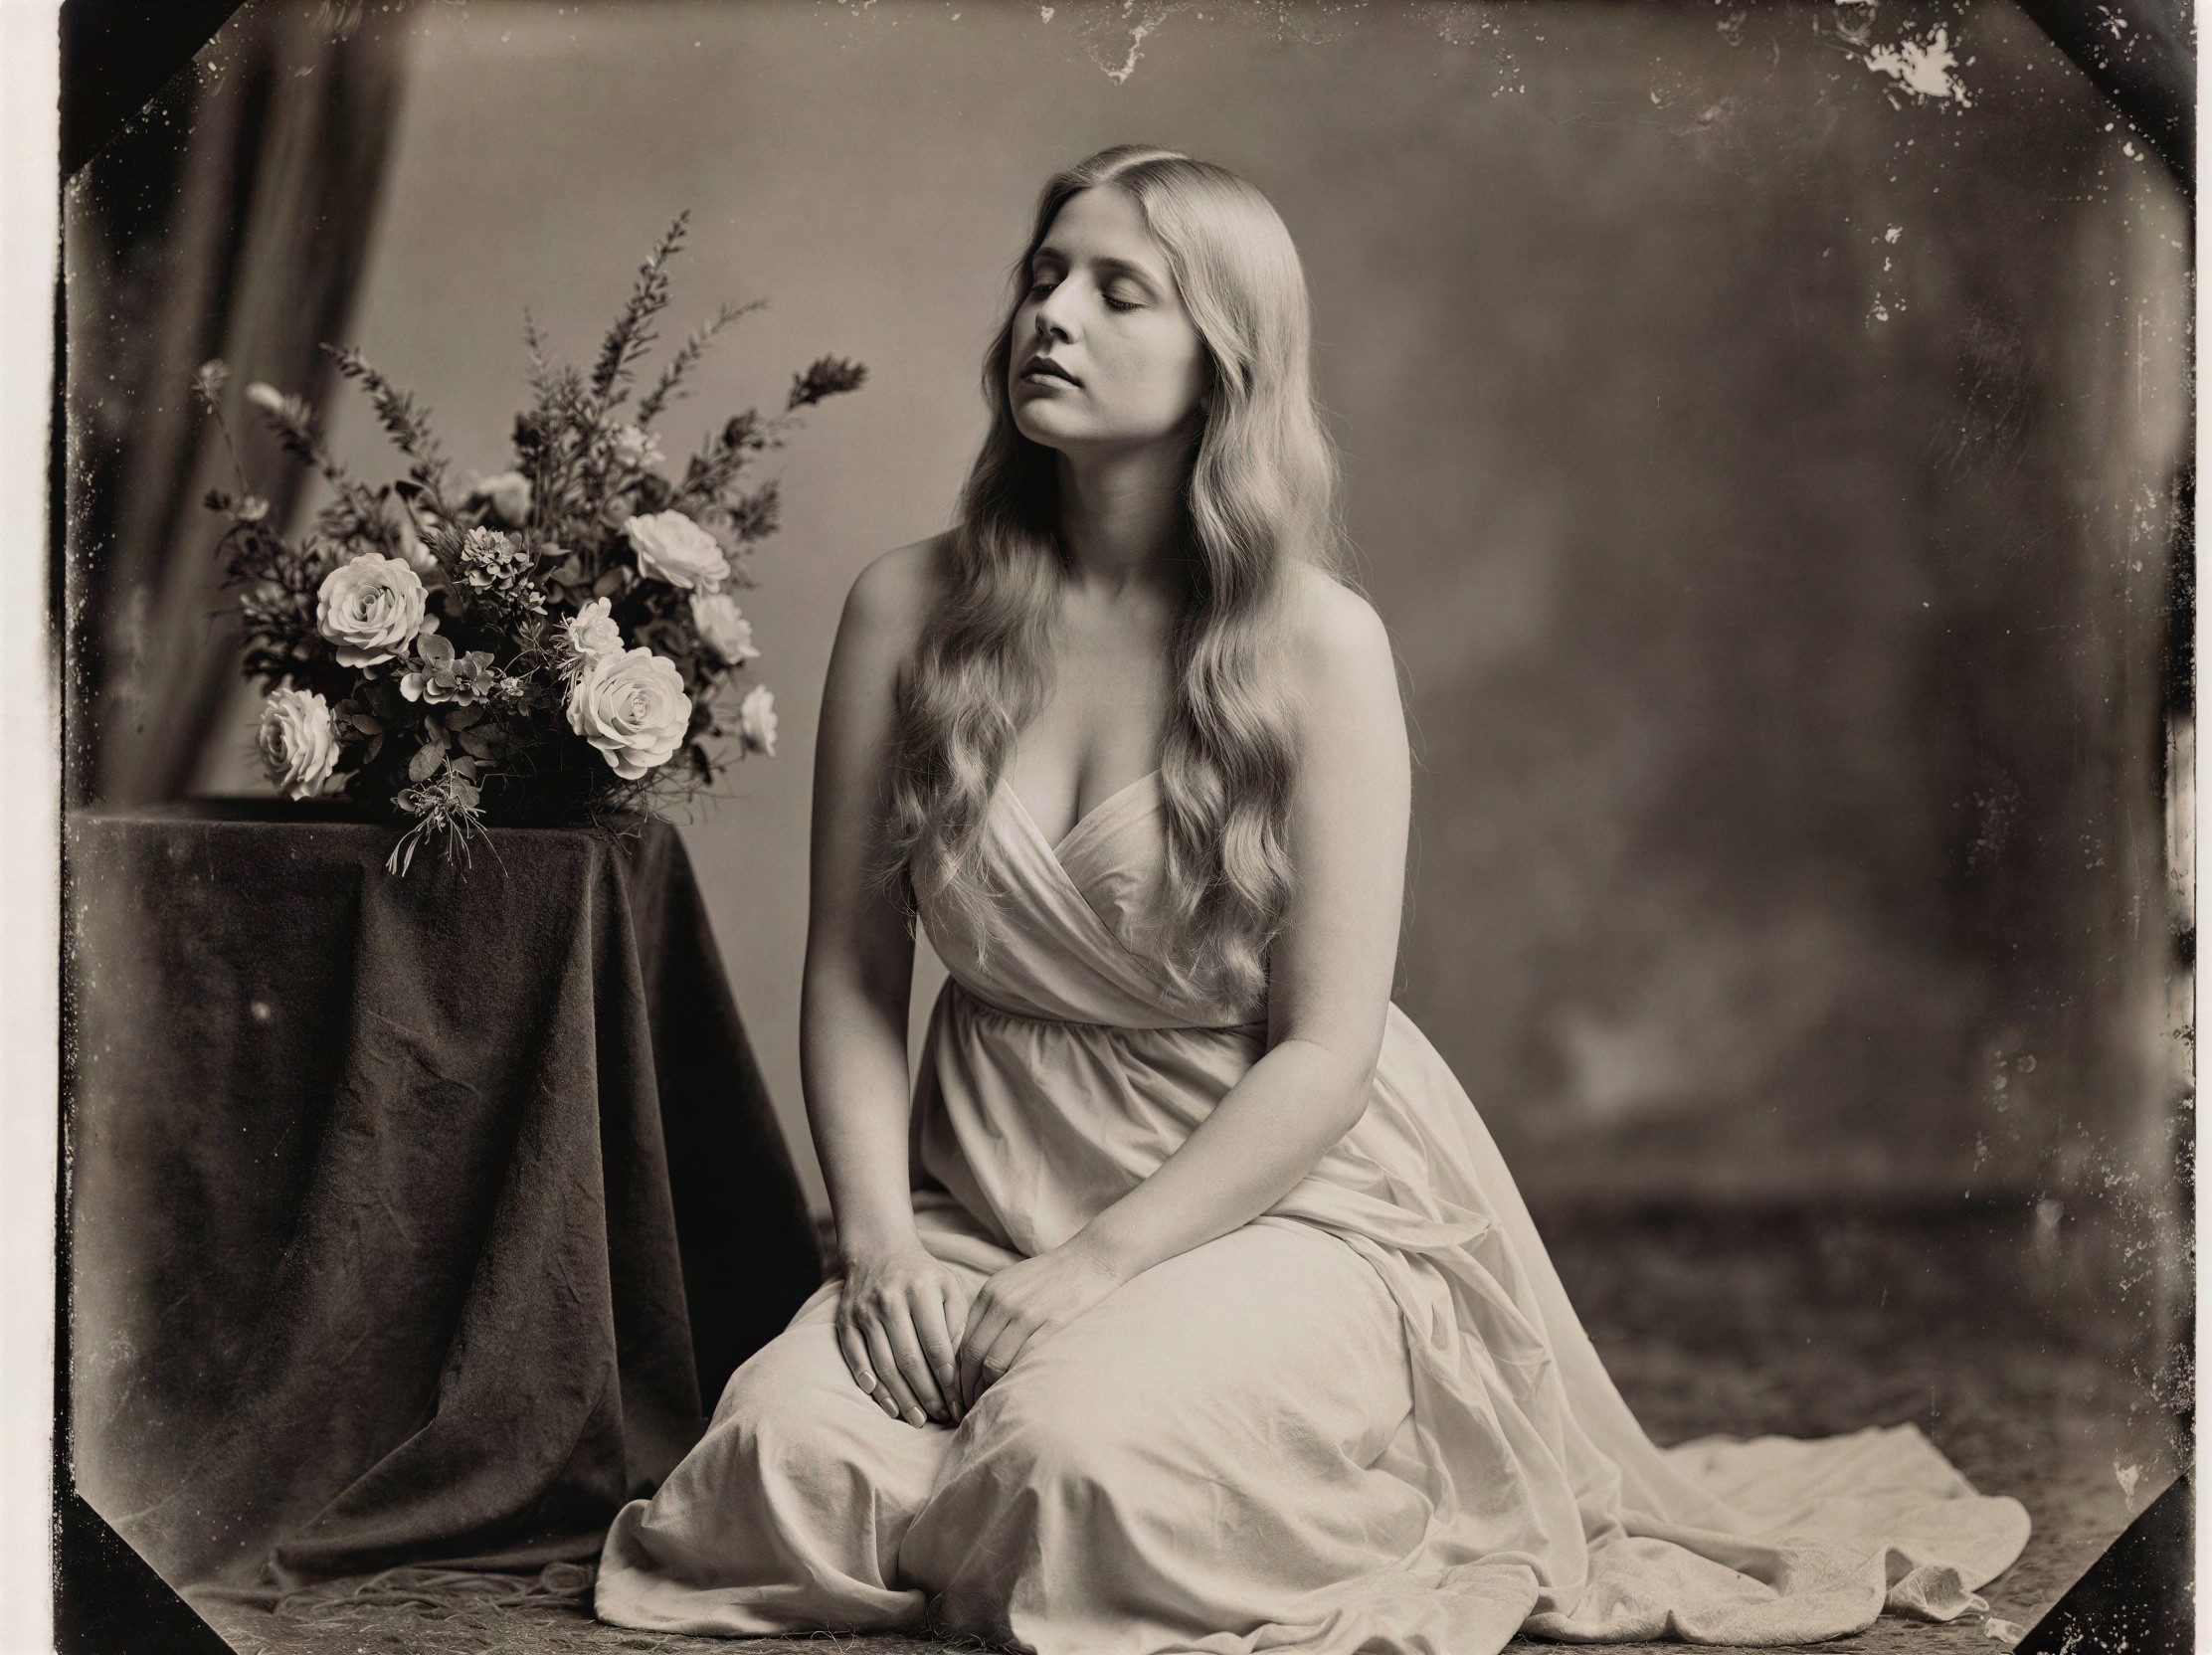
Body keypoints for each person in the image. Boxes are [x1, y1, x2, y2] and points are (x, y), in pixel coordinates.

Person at [594, 143, 2029, 1655]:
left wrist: (1097, 1270)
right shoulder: (905, 606)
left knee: (1070, 1474)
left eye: (1115, 291)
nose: (1050, 319)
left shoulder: (1319, 651)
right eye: (1041, 279)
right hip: (976, 1194)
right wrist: (879, 1242)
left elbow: (1327, 1051)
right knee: (774, 1471)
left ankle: (1347, 1454)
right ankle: (1014, 1427)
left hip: (1266, 1204)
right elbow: (851, 973)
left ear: (1224, 358)